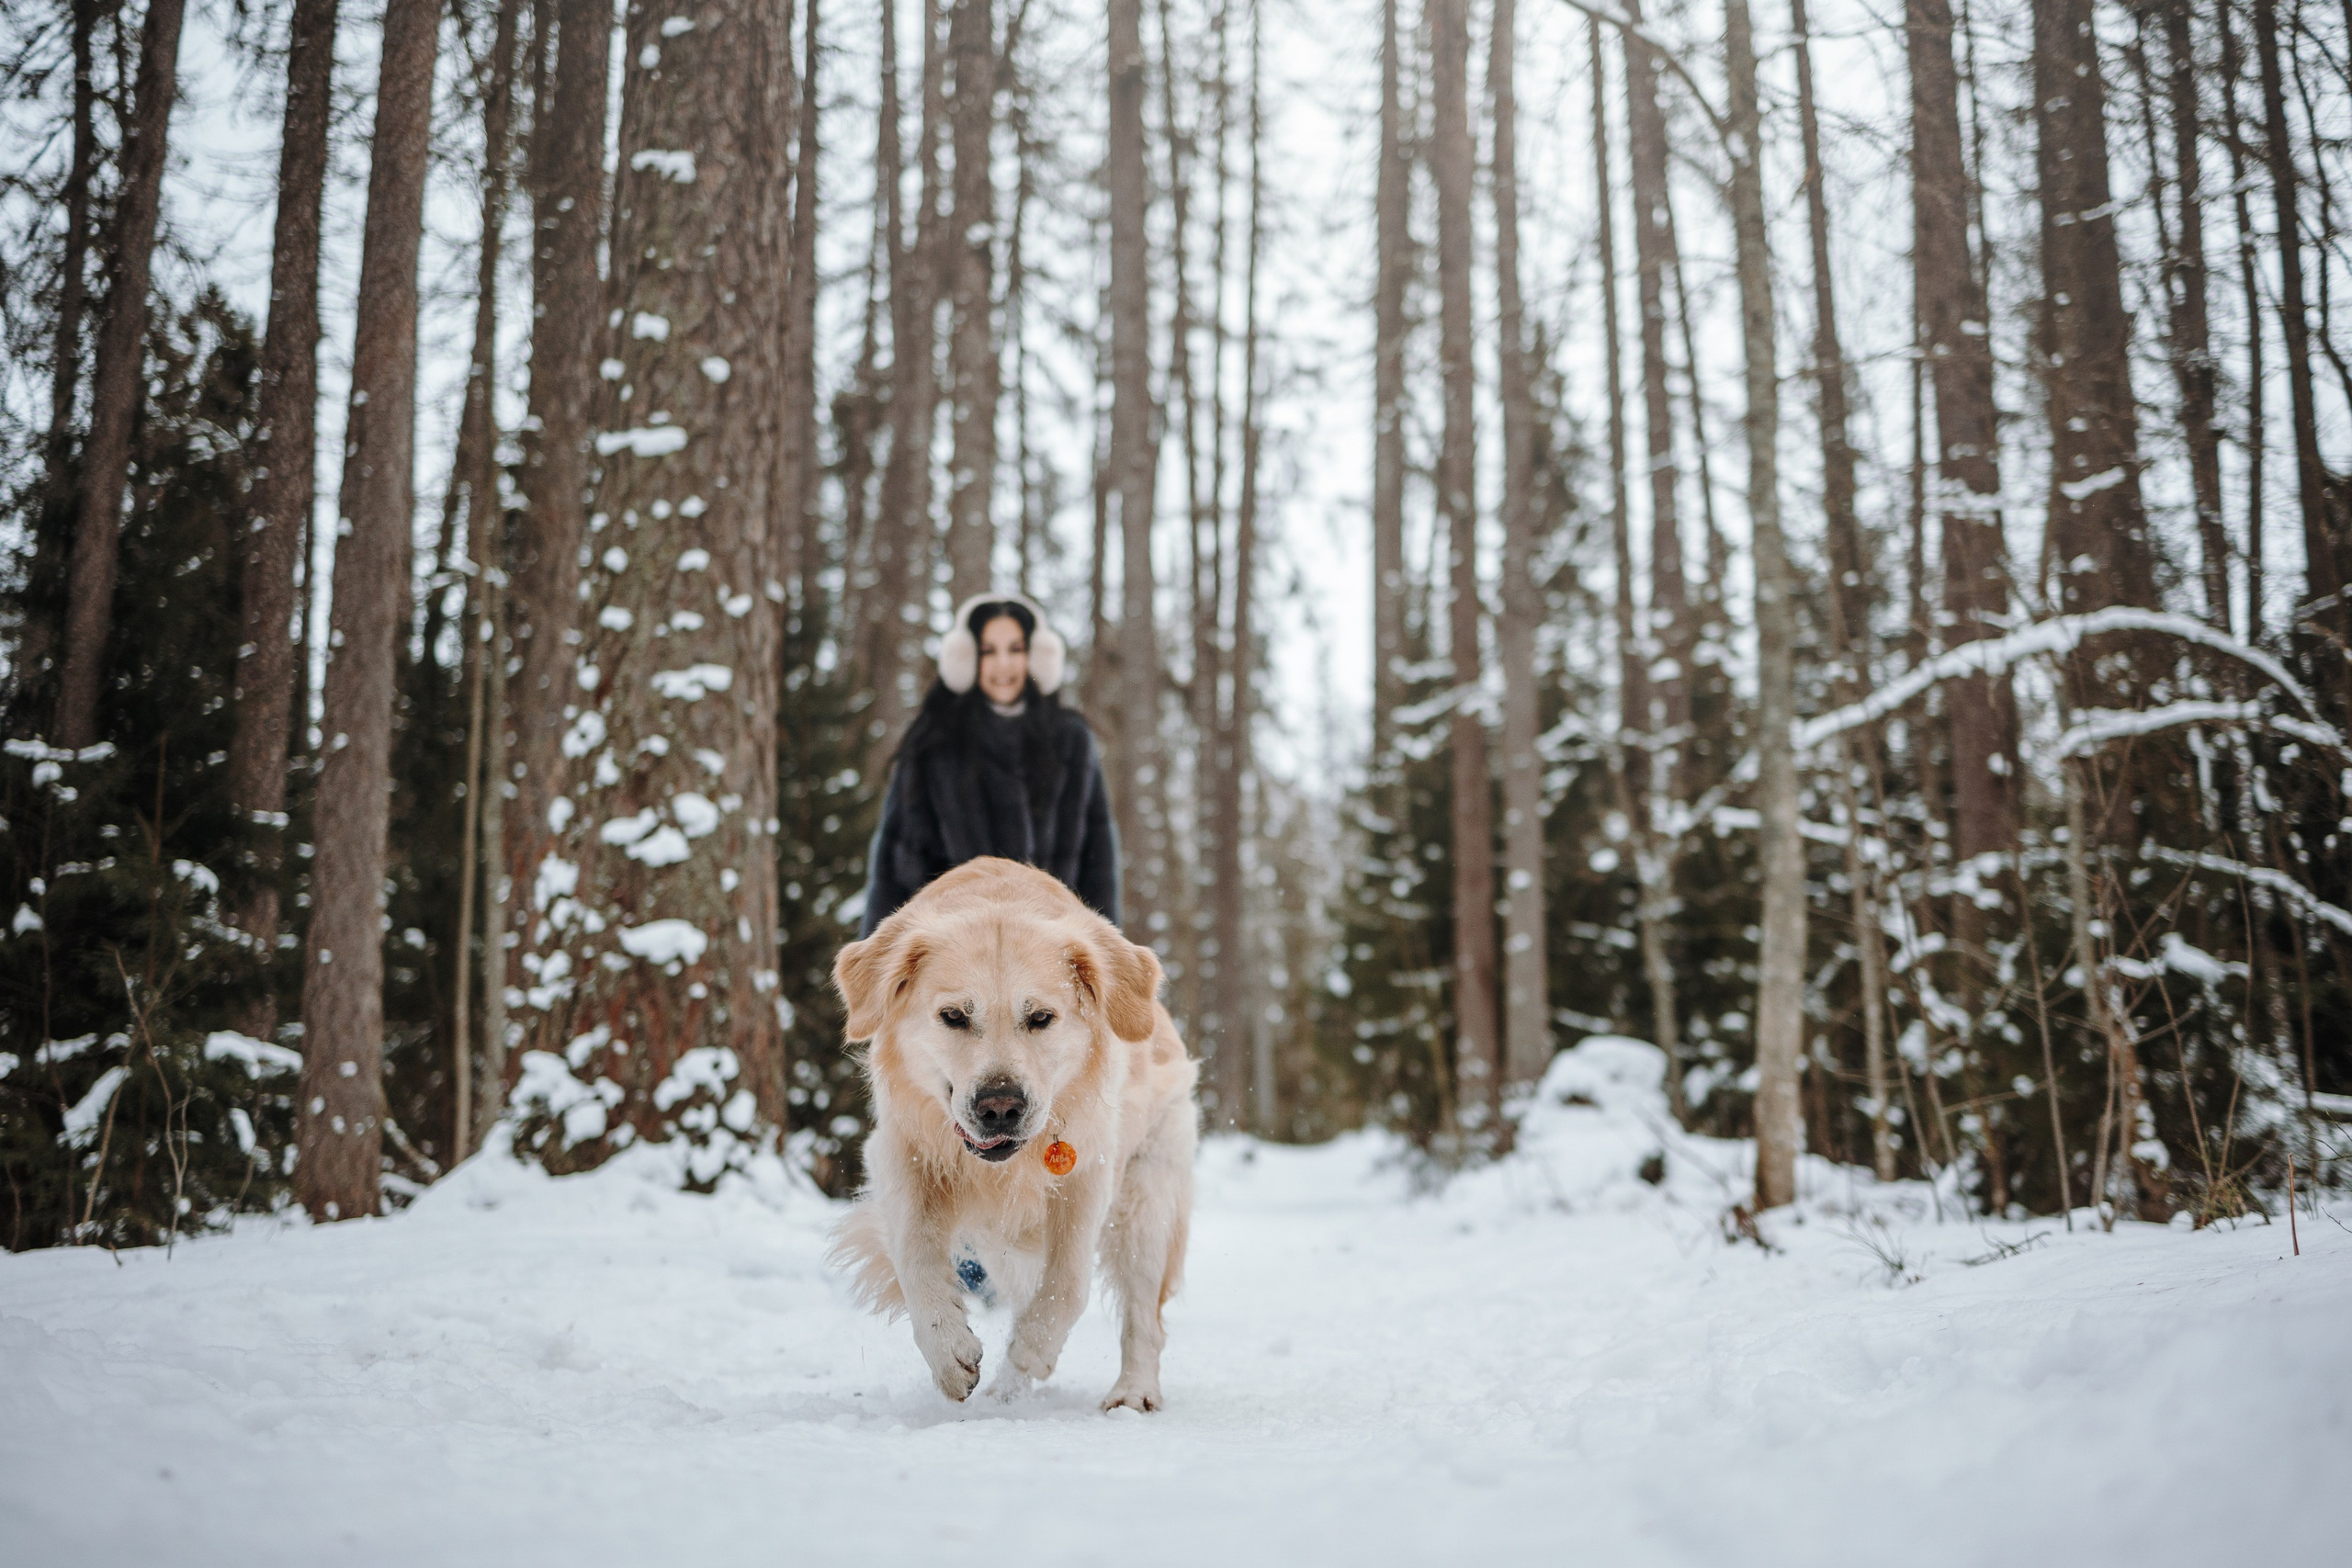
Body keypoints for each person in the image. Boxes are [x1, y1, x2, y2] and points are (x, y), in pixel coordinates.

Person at [858, 593, 1119, 938]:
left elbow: (1097, 861)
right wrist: (880, 959)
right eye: (988, 651)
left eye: (1015, 649)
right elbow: (897, 866)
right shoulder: (935, 742)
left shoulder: (1071, 739)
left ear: (1035, 656)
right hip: (957, 952)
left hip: (1049, 953)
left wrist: (1107, 957)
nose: (1003, 665)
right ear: (966, 658)